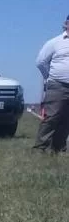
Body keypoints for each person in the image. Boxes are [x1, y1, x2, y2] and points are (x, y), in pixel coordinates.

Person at [32, 15, 69, 154]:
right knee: (52, 117)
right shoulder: (55, 43)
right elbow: (41, 62)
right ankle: (40, 147)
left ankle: (58, 148)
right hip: (58, 85)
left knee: (66, 119)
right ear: (66, 24)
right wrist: (49, 77)